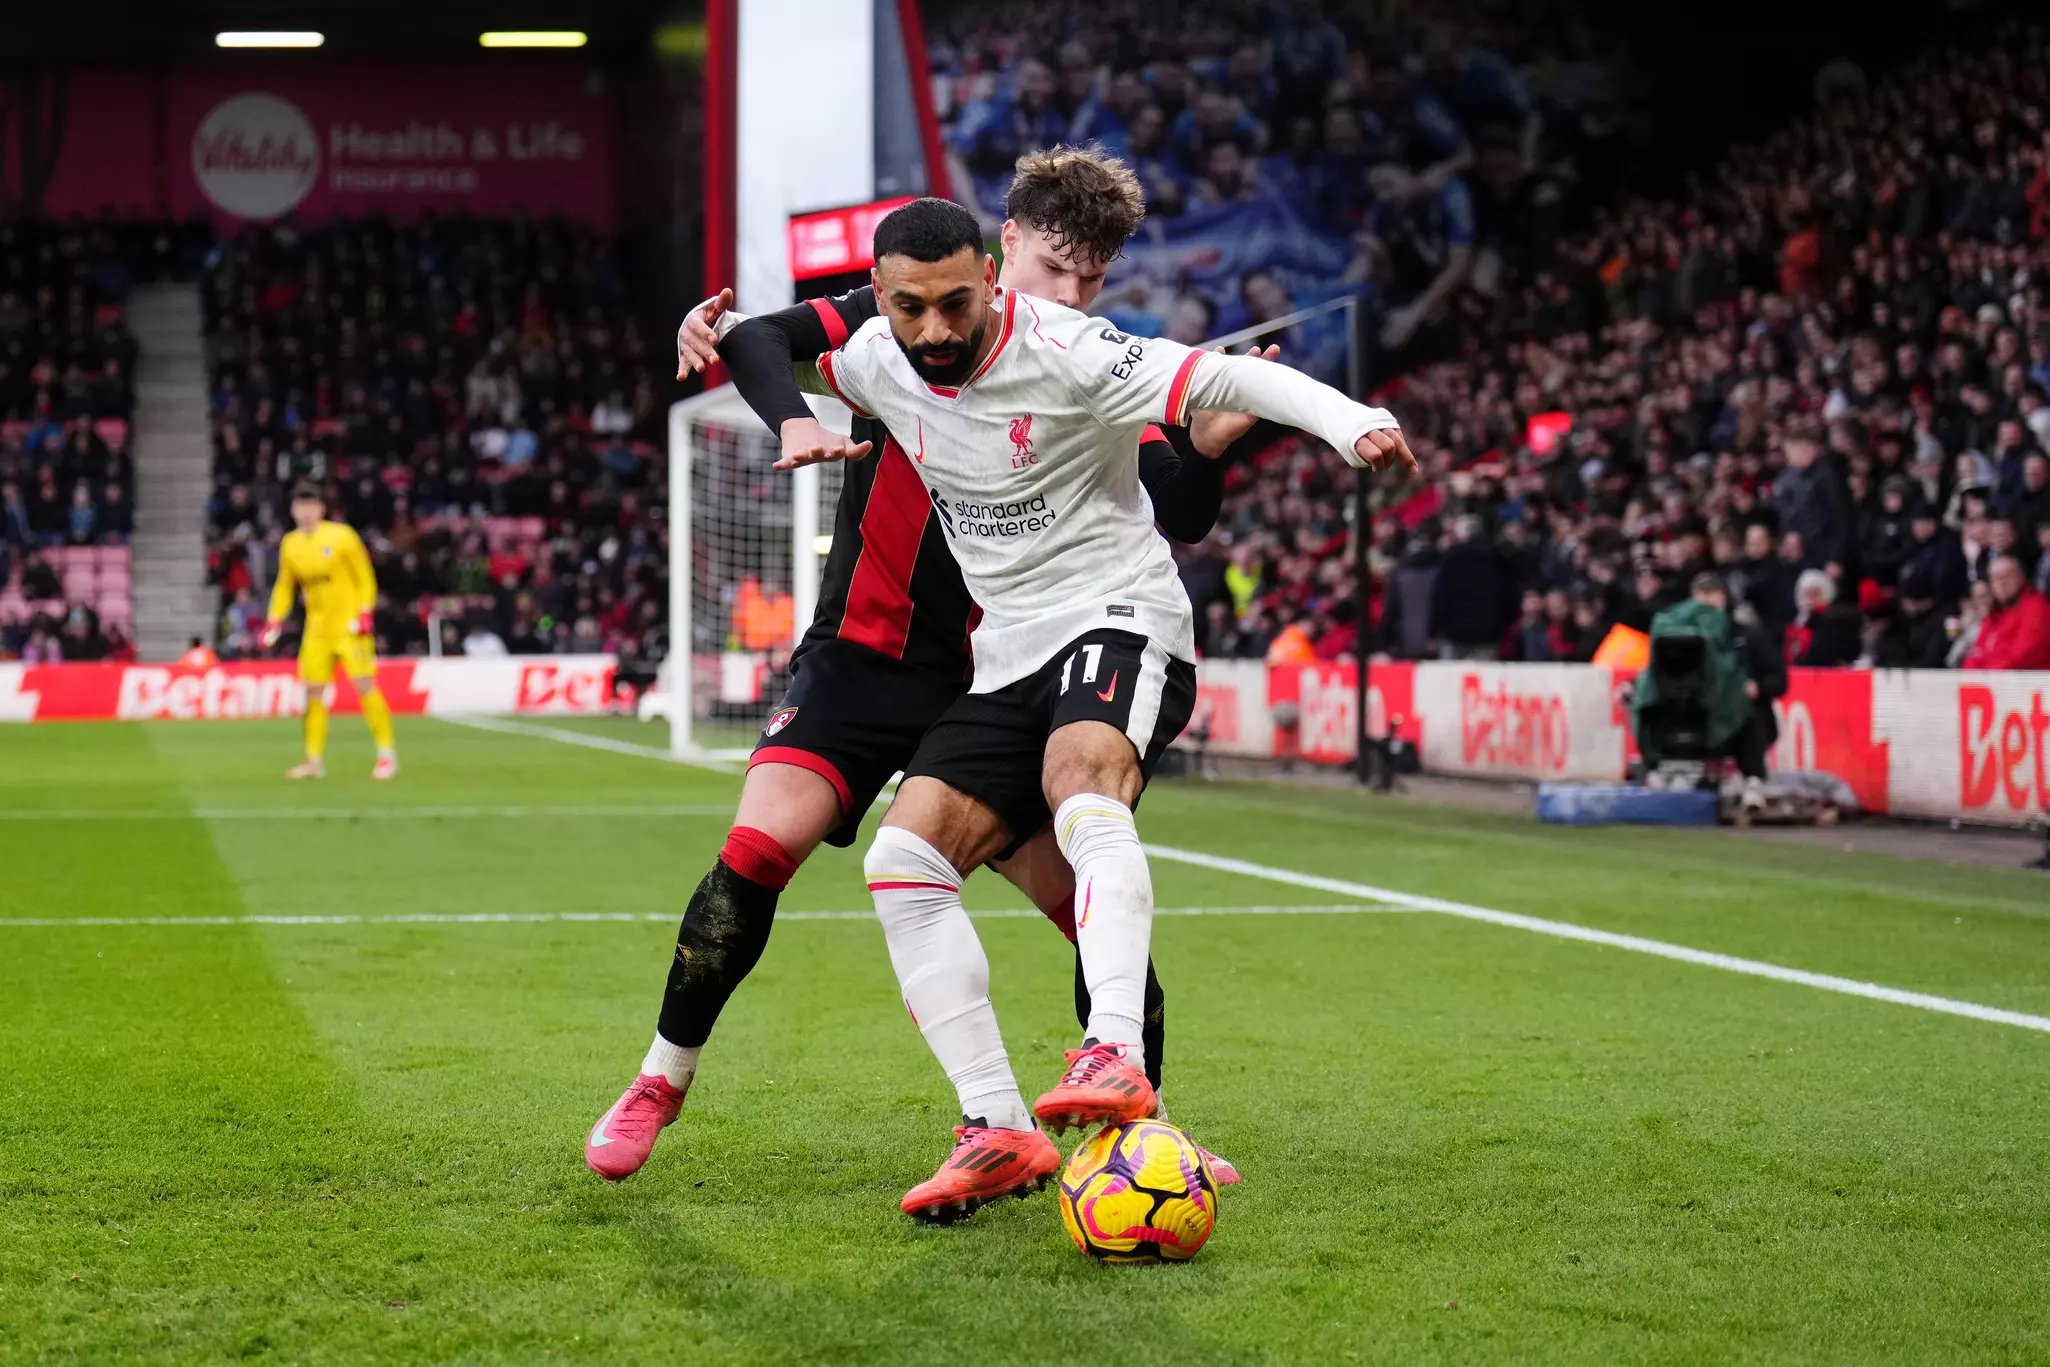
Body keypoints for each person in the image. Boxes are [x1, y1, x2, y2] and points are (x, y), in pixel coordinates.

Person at [592, 150, 1273, 1207]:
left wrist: (1216, 449)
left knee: (1083, 896)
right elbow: (764, 338)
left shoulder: (1075, 362)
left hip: (996, 679)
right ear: (1002, 249)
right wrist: (765, 386)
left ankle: (1140, 1129)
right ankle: (659, 1076)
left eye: (1092, 280)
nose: (1070, 296)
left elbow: (1171, 503)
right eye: (1055, 268)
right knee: (759, 843)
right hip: (864, 655)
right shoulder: (910, 308)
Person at [769, 198, 1412, 1218]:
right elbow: (765, 342)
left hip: (1120, 614)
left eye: (953, 305)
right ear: (884, 303)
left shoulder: (1070, 347)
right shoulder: (878, 358)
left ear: (989, 274)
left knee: (1078, 783)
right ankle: (996, 1125)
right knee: (904, 856)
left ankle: (1112, 1046)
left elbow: (1230, 375)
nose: (933, 330)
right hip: (1006, 651)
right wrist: (730, 352)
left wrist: (1352, 420)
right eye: (908, 310)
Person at [259, 481, 399, 780]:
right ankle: (313, 760)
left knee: (364, 685)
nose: (306, 512)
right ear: (293, 510)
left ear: (321, 508)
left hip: (349, 627)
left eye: (311, 506)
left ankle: (387, 754)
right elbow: (285, 585)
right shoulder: (291, 544)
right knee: (312, 692)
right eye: (300, 506)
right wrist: (274, 619)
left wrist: (364, 612)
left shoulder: (342, 537)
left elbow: (364, 577)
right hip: (317, 629)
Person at [1961, 555, 2050, 670]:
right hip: (1993, 680)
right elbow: (1977, 653)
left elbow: (2024, 655)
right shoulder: (1994, 613)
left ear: (2020, 577)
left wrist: (1987, 673)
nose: (2002, 583)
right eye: (1996, 578)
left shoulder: (2036, 608)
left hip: (2026, 683)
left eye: (2008, 576)